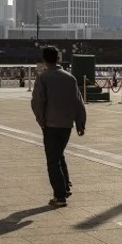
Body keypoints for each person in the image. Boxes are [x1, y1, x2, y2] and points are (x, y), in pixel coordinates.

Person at [31, 47, 86, 207]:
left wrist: (41, 120)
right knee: (59, 154)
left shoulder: (43, 78)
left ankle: (59, 196)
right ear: (58, 58)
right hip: (66, 125)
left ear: (44, 60)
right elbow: (78, 102)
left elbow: (37, 102)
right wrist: (80, 122)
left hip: (51, 124)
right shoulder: (70, 78)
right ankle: (66, 185)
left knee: (52, 161)